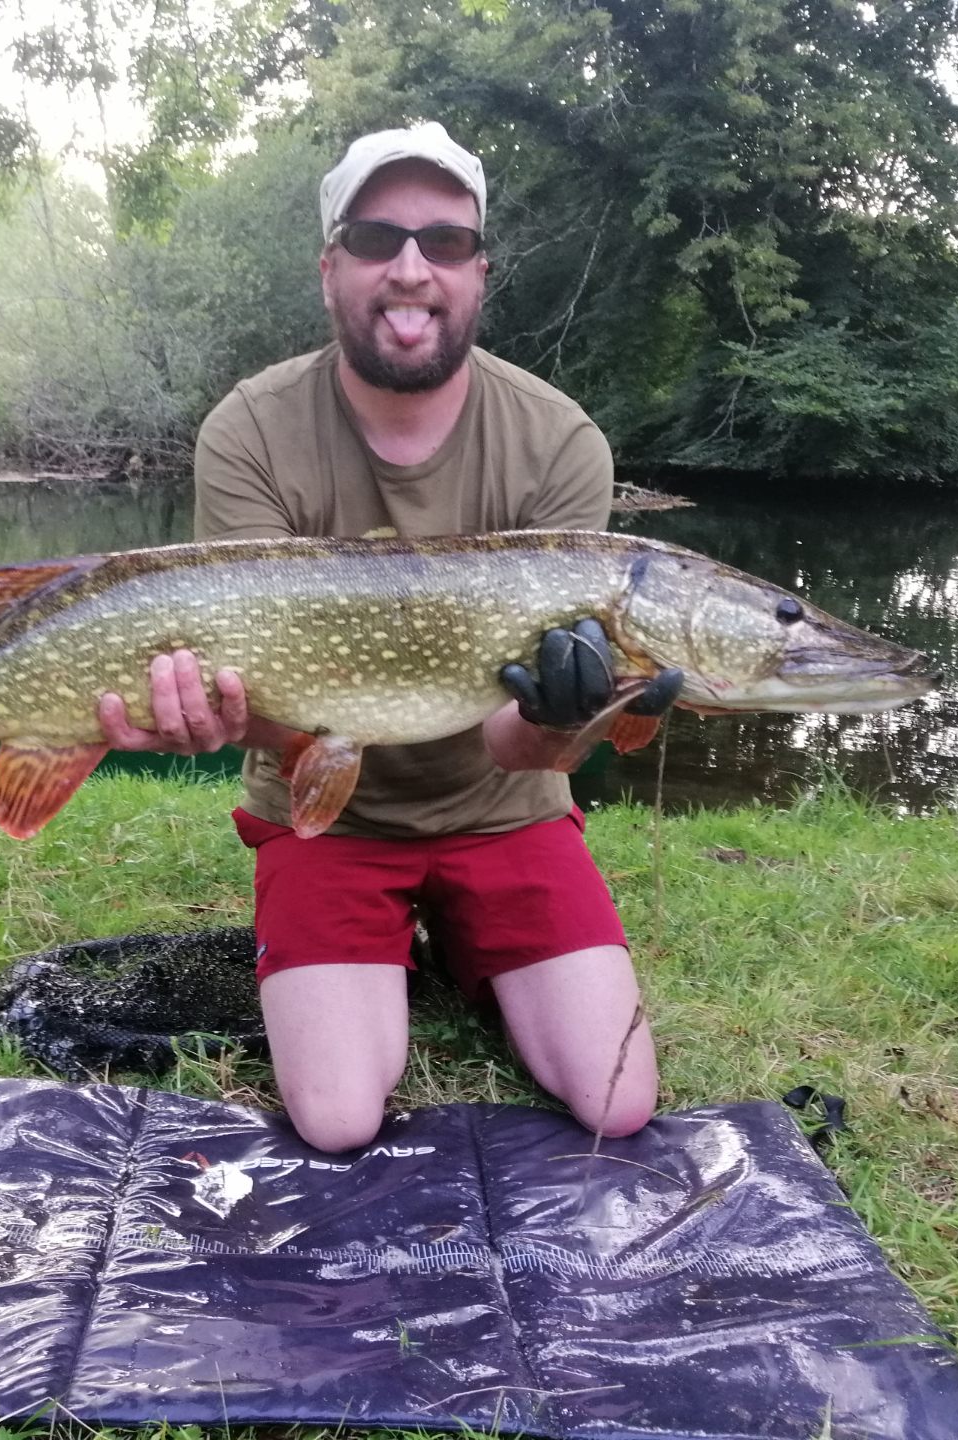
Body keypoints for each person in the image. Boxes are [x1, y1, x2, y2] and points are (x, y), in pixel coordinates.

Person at [98, 123, 675, 1153]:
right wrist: (212, 718)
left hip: (503, 810)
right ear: (332, 267)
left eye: (445, 242)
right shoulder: (251, 429)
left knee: (616, 1099)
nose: (412, 269)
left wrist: (563, 719)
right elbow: (265, 701)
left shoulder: (559, 441)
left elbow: (519, 748)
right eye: (376, 238)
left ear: (479, 272)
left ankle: (463, 938)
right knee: (337, 1118)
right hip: (333, 821)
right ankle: (392, 944)